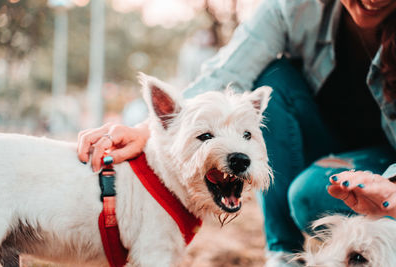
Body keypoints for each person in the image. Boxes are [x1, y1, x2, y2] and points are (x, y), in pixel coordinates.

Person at [77, 0, 396, 266]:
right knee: (275, 78)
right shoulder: (294, 6)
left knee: (309, 196)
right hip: (324, 146)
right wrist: (149, 130)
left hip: (386, 163)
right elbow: (227, 73)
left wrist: (393, 186)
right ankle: (282, 254)